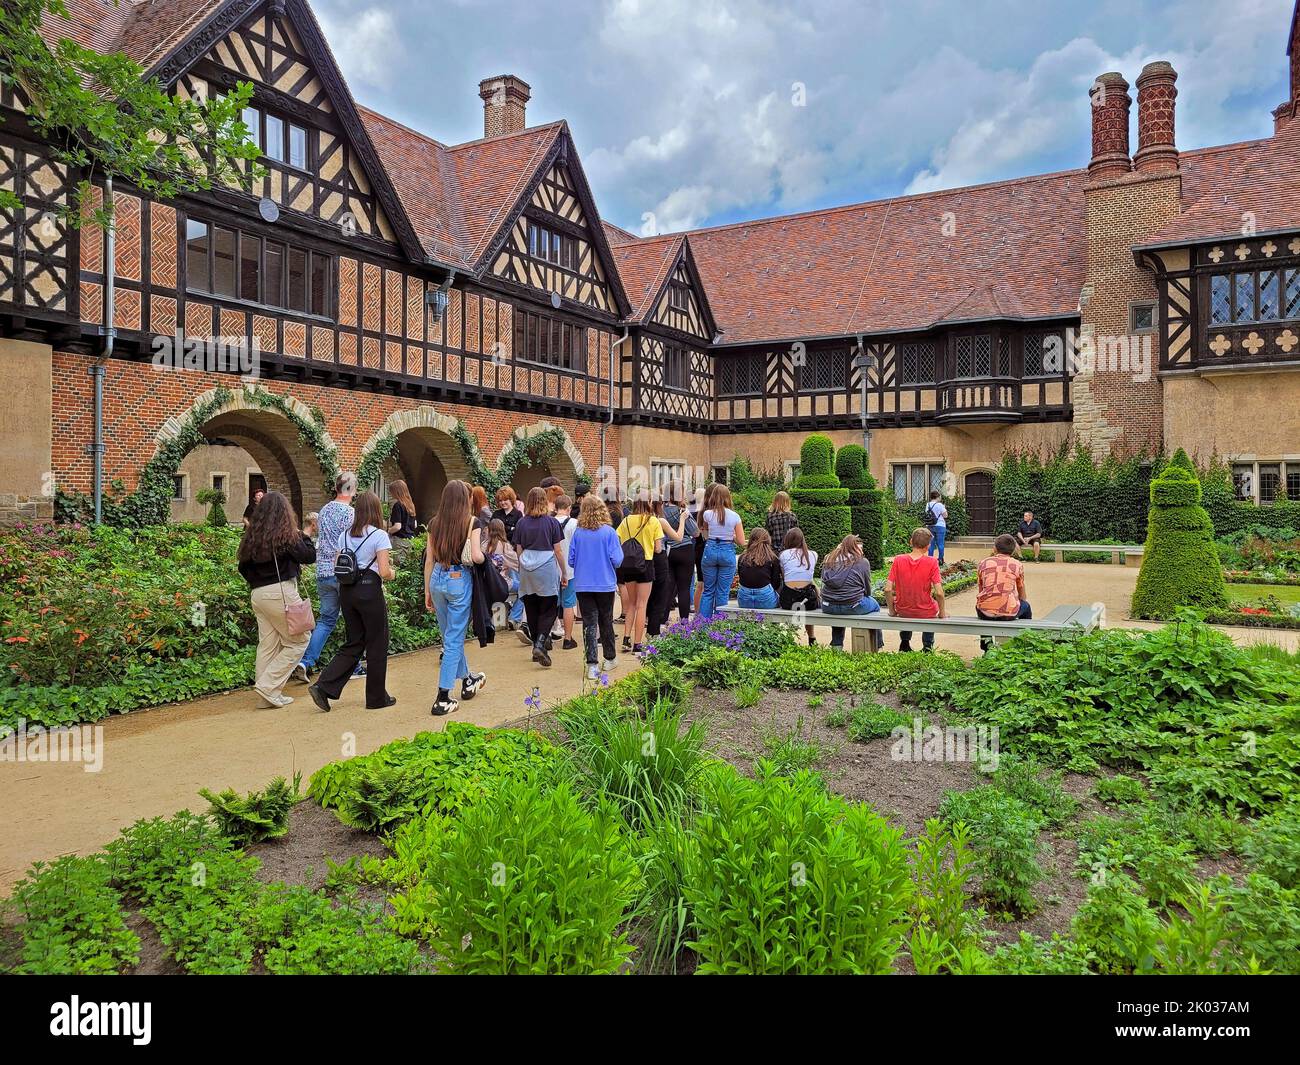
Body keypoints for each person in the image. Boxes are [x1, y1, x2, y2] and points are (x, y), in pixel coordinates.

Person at [307, 492, 396, 711]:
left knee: (354, 642)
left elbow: (339, 564)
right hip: (369, 591)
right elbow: (384, 572)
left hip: (347, 592)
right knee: (377, 643)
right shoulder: (379, 535)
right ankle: (376, 698)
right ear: (376, 511)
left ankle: (324, 686)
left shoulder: (345, 535)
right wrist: (392, 573)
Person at [238, 491, 316, 707]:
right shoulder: (286, 535)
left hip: (258, 594)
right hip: (281, 592)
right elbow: (309, 556)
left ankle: (266, 697)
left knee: (269, 644)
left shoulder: (252, 537)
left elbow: (242, 567)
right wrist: (305, 534)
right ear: (285, 512)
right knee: (299, 640)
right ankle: (268, 686)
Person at [422, 480, 487, 716]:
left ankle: (468, 679)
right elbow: (478, 557)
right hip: (459, 578)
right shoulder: (472, 522)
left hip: (437, 577)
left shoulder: (434, 523)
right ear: (465, 498)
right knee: (453, 638)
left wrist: (427, 590)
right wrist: (482, 557)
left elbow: (429, 560)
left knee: (449, 634)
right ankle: (442, 696)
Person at [295, 472, 356, 683]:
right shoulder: (350, 513)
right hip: (342, 573)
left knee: (326, 620)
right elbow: (352, 543)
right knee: (352, 620)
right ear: (350, 489)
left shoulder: (324, 510)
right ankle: (353, 666)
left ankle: (305, 661)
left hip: (323, 571)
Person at [570, 495, 624, 679]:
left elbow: (571, 559)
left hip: (583, 583)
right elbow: (617, 559)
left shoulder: (578, 533)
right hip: (605, 583)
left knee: (589, 623)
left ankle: (591, 663)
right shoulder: (609, 532)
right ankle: (610, 658)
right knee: (606, 620)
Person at [512, 486, 566, 667]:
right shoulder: (552, 523)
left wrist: (525, 565)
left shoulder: (521, 523)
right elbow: (558, 551)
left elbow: (519, 550)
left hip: (527, 569)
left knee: (532, 608)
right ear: (545, 501)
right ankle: (541, 642)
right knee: (549, 608)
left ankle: (536, 645)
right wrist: (564, 572)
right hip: (546, 568)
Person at [885, 528, 946, 652]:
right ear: (928, 546)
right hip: (925, 611)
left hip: (902, 610)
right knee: (931, 607)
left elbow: (887, 589)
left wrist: (892, 611)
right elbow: (939, 593)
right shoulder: (932, 562)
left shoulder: (898, 559)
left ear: (910, 541)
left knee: (907, 605)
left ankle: (905, 642)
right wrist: (942, 612)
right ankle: (927, 646)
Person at [615, 497, 664, 654]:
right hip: (646, 563)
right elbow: (658, 549)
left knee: (631, 604)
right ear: (648, 503)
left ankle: (626, 638)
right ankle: (637, 643)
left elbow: (618, 541)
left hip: (628, 564)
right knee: (642, 604)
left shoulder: (626, 520)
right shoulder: (653, 521)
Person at [819, 535, 881, 650]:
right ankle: (877, 645)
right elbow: (867, 591)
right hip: (853, 606)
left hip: (828, 606)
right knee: (875, 605)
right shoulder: (862, 562)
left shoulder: (829, 559)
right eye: (860, 548)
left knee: (838, 603)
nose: (862, 551)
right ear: (855, 549)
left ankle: (837, 646)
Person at [977, 534, 1032, 652]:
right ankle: (1026, 642)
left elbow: (981, 590)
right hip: (1008, 613)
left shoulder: (983, 563)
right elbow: (1022, 593)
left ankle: (986, 647)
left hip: (985, 612)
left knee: (981, 604)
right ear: (1013, 550)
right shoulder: (1017, 564)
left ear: (994, 549)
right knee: (1026, 606)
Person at [698, 484, 745, 619]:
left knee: (708, 591)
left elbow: (706, 533)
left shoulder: (707, 514)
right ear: (728, 497)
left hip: (710, 549)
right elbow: (741, 542)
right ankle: (720, 625)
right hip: (727, 550)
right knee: (723, 592)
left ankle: (703, 625)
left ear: (713, 497)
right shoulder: (735, 516)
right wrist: (732, 537)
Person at [659, 487, 696, 626]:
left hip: (668, 549)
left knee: (669, 586)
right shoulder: (682, 511)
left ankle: (663, 619)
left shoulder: (661, 511)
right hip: (684, 549)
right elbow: (695, 531)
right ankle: (684, 621)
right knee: (684, 587)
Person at [778, 527, 820, 645]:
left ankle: (789, 636)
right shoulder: (813, 554)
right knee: (810, 592)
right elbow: (807, 575)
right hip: (808, 601)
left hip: (789, 599)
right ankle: (811, 637)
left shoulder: (783, 555)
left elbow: (785, 576)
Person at [553, 494, 579, 650]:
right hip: (570, 569)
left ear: (556, 507)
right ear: (569, 508)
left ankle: (549, 635)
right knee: (569, 604)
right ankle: (568, 639)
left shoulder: (549, 522)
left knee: (551, 605)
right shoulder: (575, 524)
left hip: (550, 569)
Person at [737, 528, 782, 610]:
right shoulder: (772, 558)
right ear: (767, 540)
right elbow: (776, 583)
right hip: (765, 598)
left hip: (744, 600)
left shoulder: (742, 558)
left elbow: (741, 577)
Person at [925, 490, 948, 566]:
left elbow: (927, 514)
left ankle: (930, 560)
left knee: (931, 544)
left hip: (930, 526)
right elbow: (945, 516)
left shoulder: (928, 505)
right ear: (937, 497)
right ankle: (940, 559)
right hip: (940, 526)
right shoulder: (940, 505)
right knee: (940, 544)